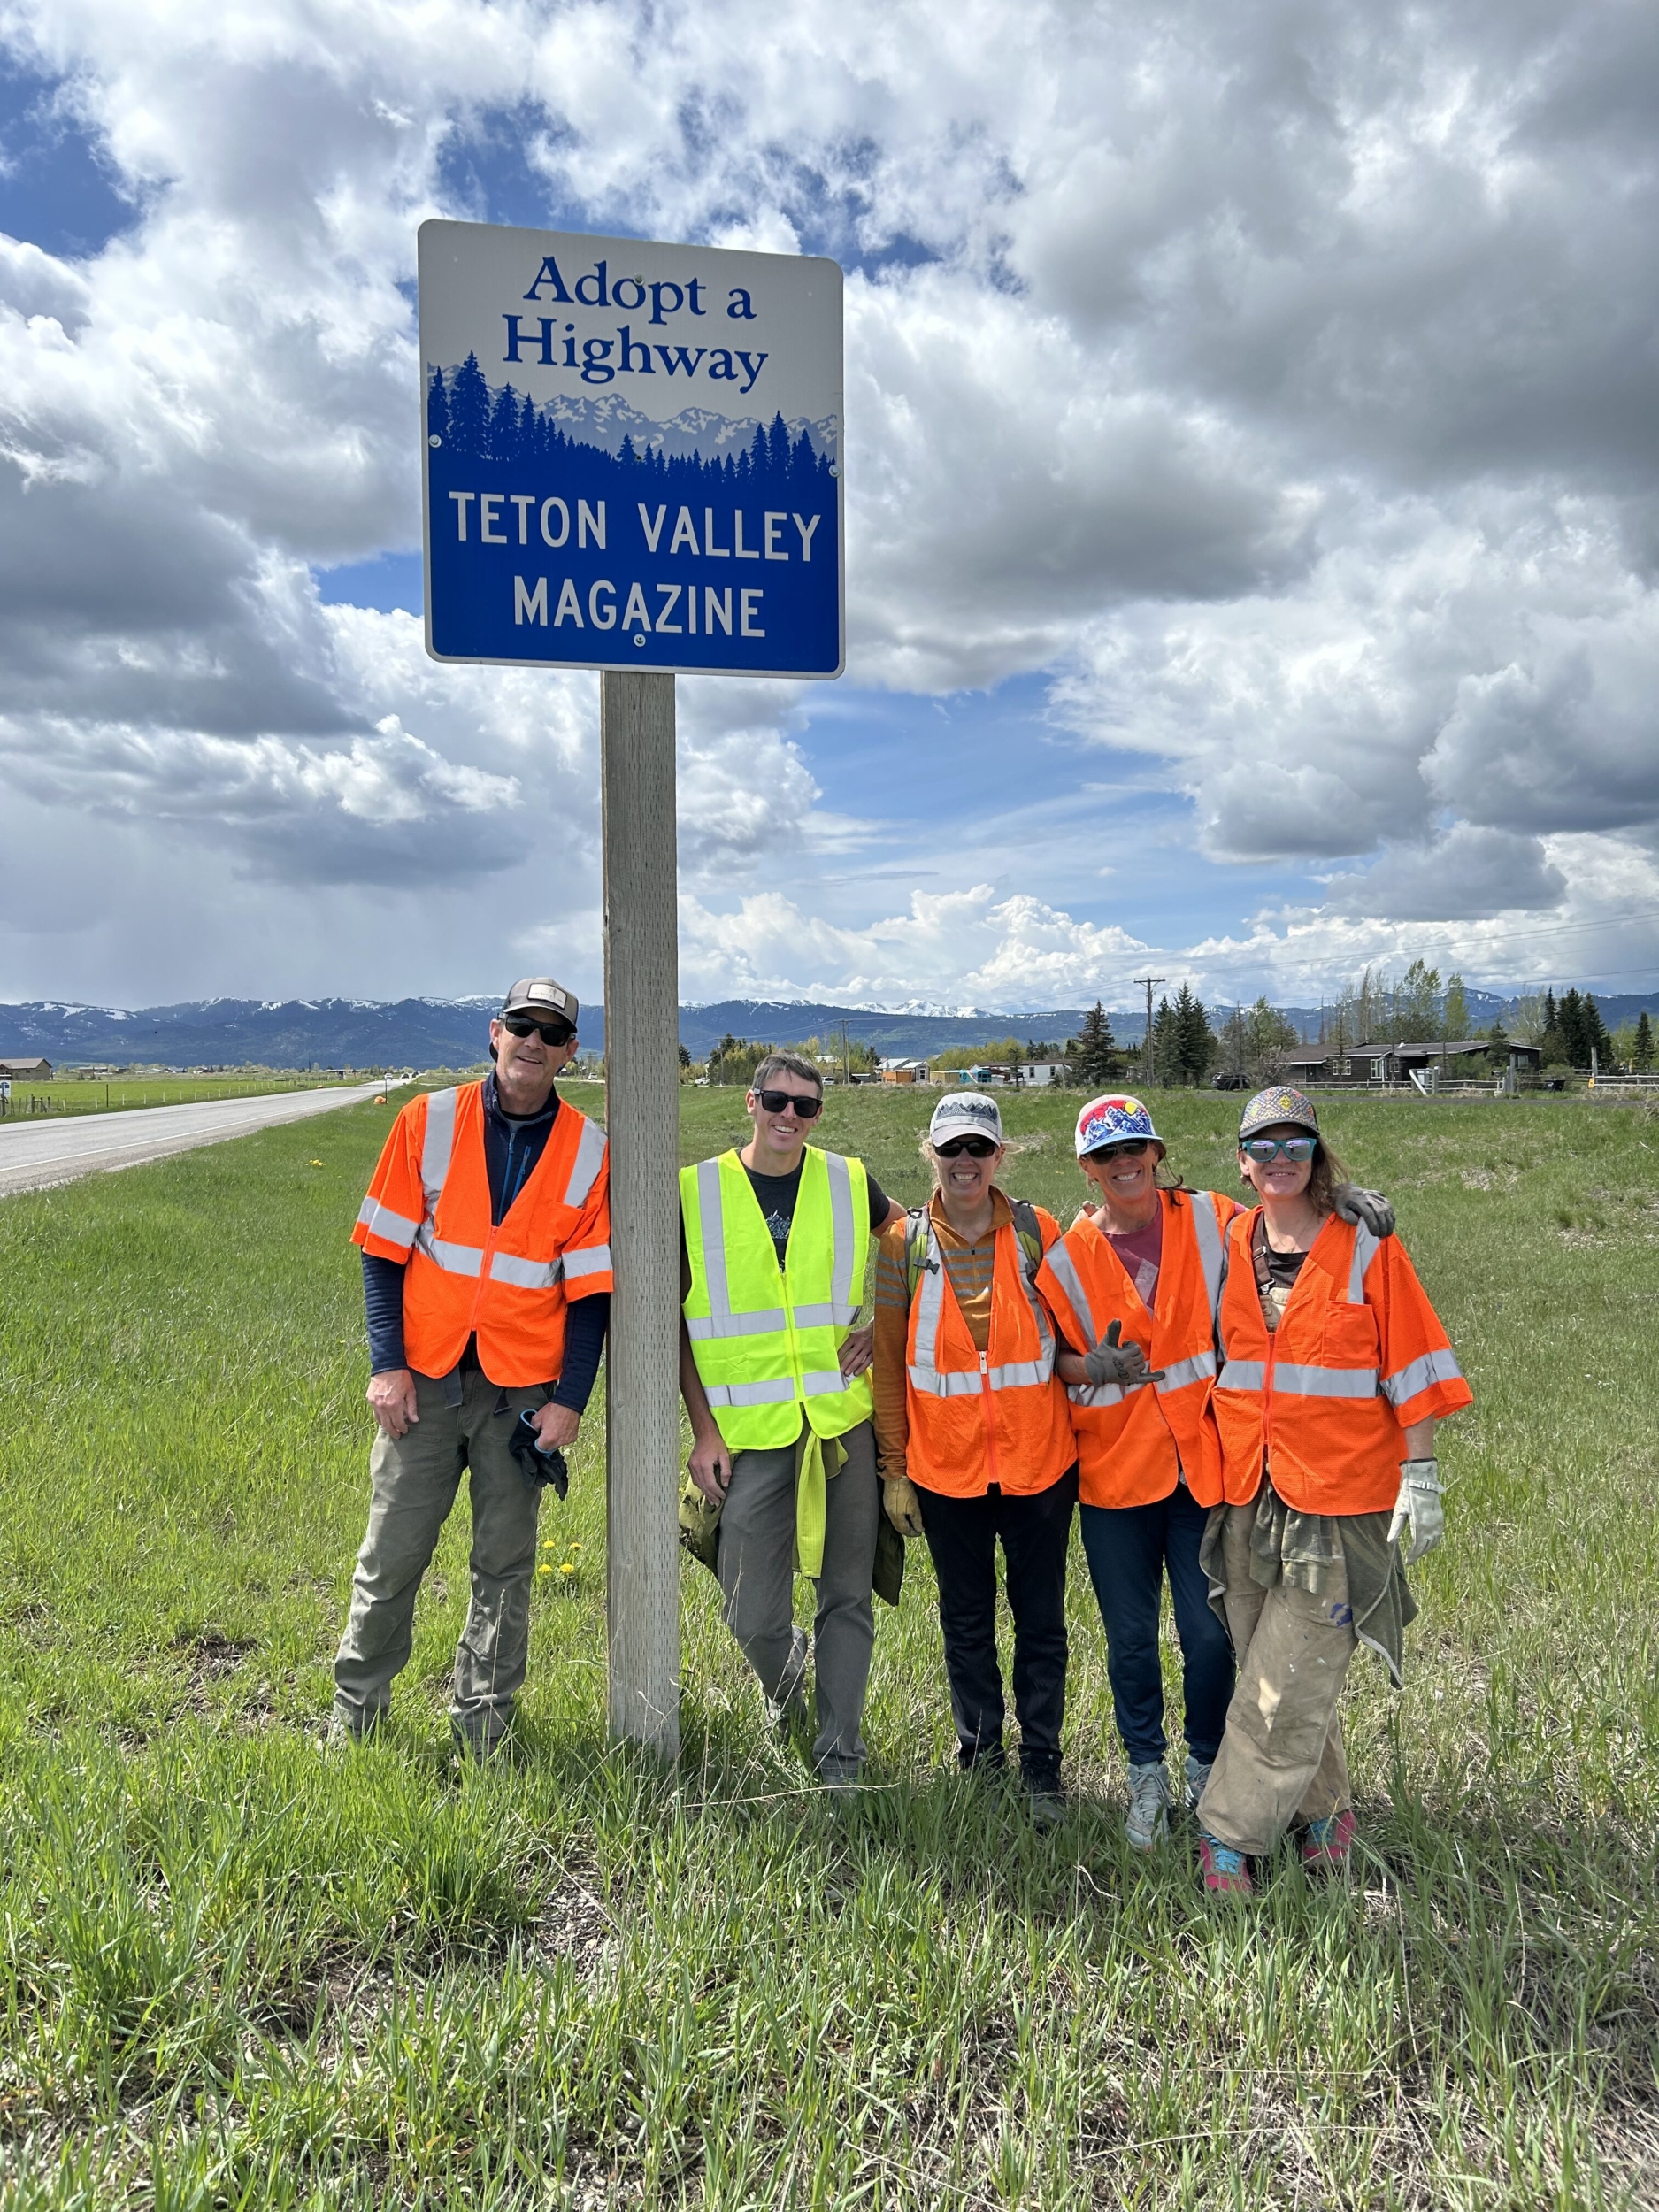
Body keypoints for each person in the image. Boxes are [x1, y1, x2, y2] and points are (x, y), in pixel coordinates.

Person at [1036, 1093, 1398, 1853]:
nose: (1124, 1163)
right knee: (1129, 1639)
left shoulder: (1210, 1219)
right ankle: (1146, 1775)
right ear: (1086, 1168)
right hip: (1113, 1476)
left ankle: (1208, 1766)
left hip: (1204, 1469)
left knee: (1208, 1637)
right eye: (1106, 1155)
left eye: (1137, 1147)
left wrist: (1343, 1198)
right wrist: (1086, 1365)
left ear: (1157, 1153)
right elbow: (1047, 1357)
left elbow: (1285, 1211)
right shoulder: (1065, 1259)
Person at [1194, 1086, 1472, 1895]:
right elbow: (1146, 1203)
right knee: (1269, 1669)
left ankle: (1227, 1836)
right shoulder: (1224, 1236)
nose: (1280, 1160)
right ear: (1241, 1163)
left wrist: (1418, 1471)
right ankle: (1326, 1811)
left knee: (1285, 1680)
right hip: (1247, 1492)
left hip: (1340, 1498)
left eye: (1297, 1146)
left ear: (1316, 1155)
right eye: (1264, 1147)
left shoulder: (1365, 1246)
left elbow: (1413, 1361)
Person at [334, 978, 611, 1753]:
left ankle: (482, 1732)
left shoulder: (591, 1150)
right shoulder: (427, 1119)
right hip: (421, 1383)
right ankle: (356, 1724)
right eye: (521, 1025)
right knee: (391, 1557)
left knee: (504, 1568)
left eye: (551, 1033)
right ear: (494, 1032)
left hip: (520, 1394)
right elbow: (382, 1253)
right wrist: (386, 1365)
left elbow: (591, 1294)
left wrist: (570, 1403)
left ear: (568, 1052)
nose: (534, 1041)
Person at [680, 1052, 904, 1792]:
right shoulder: (697, 1191)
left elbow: (914, 1244)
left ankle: (841, 1756)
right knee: (750, 1611)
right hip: (749, 1435)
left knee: (846, 1596)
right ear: (750, 1102)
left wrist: (882, 1324)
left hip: (841, 1424)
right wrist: (704, 1431)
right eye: (776, 1100)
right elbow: (678, 1325)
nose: (789, 1116)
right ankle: (786, 1688)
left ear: (818, 1116)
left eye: (805, 1107)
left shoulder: (847, 1180)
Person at [872, 1092, 1077, 1819]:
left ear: (1000, 1155)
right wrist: (893, 1471)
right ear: (930, 1154)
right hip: (945, 1469)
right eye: (951, 1149)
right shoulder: (903, 1243)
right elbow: (890, 1365)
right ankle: (982, 1756)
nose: (965, 1163)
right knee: (965, 1617)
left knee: (1040, 1618)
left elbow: (1084, 1308)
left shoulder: (1035, 1231)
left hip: (1039, 1467)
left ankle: (1042, 1763)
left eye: (978, 1149)